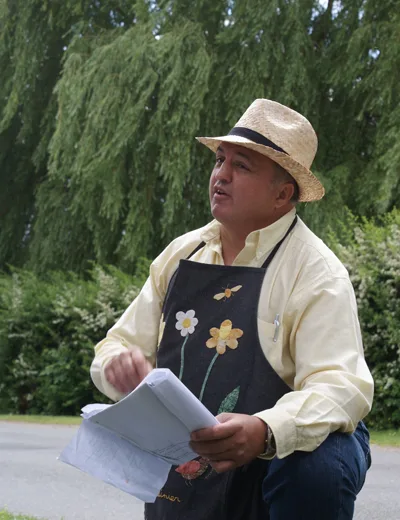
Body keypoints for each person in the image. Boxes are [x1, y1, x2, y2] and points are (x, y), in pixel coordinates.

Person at [91, 99, 373, 520]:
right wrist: (120, 368)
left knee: (319, 466)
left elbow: (340, 387)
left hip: (278, 456)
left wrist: (266, 431)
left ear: (283, 193)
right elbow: (116, 344)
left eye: (241, 166)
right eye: (220, 160)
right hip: (194, 453)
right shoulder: (182, 254)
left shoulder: (317, 271)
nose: (220, 175)